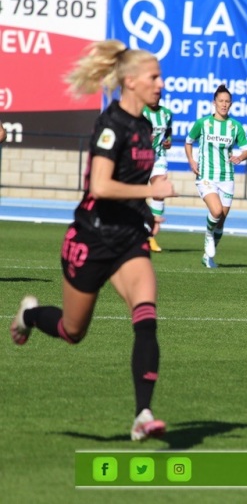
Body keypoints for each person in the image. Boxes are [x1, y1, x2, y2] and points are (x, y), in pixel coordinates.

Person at [9, 39, 178, 441]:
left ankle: (143, 414)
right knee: (72, 331)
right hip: (91, 237)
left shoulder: (146, 125)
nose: (161, 83)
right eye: (154, 77)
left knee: (147, 317)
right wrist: (151, 193)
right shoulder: (111, 124)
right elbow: (100, 186)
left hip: (128, 240)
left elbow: (132, 182)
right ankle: (29, 315)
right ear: (131, 81)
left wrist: (146, 212)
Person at [184, 84, 247, 268]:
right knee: (216, 211)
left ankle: (208, 256)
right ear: (214, 103)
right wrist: (191, 160)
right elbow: (188, 141)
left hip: (227, 177)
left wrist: (240, 157)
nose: (224, 104)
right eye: (220, 101)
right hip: (206, 175)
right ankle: (207, 236)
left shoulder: (235, 126)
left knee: (221, 222)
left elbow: (246, 150)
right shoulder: (203, 123)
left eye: (227, 101)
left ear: (231, 104)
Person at [142, 101, 173, 252]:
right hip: (139, 157)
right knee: (136, 197)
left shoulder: (166, 113)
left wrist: (168, 142)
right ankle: (141, 233)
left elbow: (168, 132)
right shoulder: (140, 111)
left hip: (158, 157)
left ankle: (153, 232)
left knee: (159, 191)